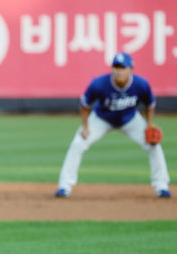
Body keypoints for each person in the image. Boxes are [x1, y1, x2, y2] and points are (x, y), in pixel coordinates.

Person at [55, 52, 171, 198]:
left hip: (130, 119)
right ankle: (64, 186)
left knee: (153, 145)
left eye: (123, 67)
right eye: (116, 67)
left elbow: (150, 105)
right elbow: (84, 105)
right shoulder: (99, 84)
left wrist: (149, 125)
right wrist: (85, 127)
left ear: (131, 70)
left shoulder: (141, 84)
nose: (119, 71)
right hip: (101, 118)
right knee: (78, 143)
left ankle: (162, 186)